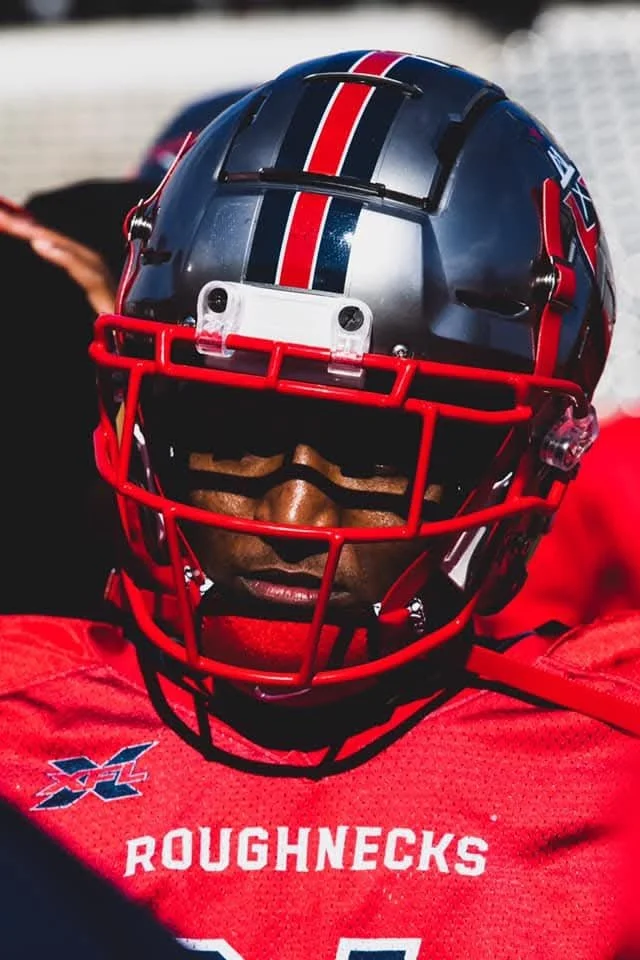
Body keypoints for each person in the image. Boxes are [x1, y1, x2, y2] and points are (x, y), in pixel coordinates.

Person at [0, 48, 639, 960]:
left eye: (377, 453)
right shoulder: (19, 731)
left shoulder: (610, 767)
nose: (292, 520)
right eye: (229, 426)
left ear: (525, 466)